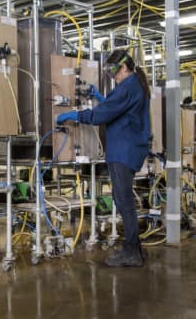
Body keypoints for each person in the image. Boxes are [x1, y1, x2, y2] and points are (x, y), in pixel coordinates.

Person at [56, 49, 151, 267]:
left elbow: (102, 115)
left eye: (114, 71)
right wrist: (101, 98)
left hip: (123, 149)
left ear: (124, 68)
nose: (112, 75)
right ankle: (134, 248)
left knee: (124, 201)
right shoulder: (133, 84)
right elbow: (117, 107)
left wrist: (75, 115)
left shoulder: (128, 86)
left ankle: (131, 252)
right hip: (128, 147)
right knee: (124, 199)